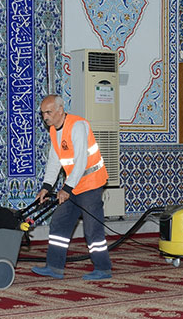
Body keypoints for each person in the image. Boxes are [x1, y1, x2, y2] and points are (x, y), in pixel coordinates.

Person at [31, 94, 112, 280]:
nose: (45, 117)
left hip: (91, 183)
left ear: (60, 110)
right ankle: (54, 267)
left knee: (92, 229)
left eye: (49, 112)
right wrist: (46, 187)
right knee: (59, 222)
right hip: (73, 184)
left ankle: (103, 268)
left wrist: (66, 189)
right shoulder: (54, 130)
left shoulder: (77, 126)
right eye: (43, 113)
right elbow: (54, 161)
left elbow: (81, 160)